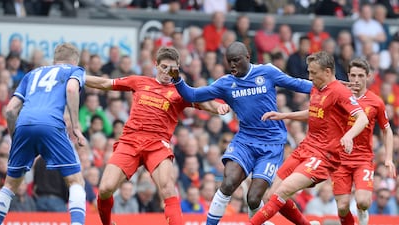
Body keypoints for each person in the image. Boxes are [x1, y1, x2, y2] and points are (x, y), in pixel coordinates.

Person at [169, 41, 317, 225]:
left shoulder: (267, 72)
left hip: (271, 144)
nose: (232, 65)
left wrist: (332, 87)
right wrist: (176, 77)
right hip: (245, 141)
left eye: (236, 60)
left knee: (254, 199)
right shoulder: (225, 84)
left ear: (247, 57)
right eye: (229, 61)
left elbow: (299, 84)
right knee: (228, 182)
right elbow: (191, 95)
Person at [84, 46, 229, 225]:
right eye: (164, 67)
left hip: (158, 145)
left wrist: (219, 107)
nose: (167, 72)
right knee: (105, 188)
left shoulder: (180, 92)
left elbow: (205, 103)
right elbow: (105, 83)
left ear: (178, 68)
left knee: (168, 189)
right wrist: (77, 77)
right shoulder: (139, 82)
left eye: (172, 68)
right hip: (130, 141)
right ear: (156, 65)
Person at [246, 51, 369, 225]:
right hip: (306, 147)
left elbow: (362, 118)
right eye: (309, 72)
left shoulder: (340, 92)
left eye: (313, 73)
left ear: (327, 72)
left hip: (324, 155)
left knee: (284, 191)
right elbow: (313, 114)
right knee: (270, 196)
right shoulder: (317, 89)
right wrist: (283, 115)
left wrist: (349, 135)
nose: (310, 77)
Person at [0, 43, 87, 225]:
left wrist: (16, 138)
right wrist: (76, 126)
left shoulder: (31, 74)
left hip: (24, 124)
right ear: (74, 61)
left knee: (9, 185)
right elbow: (71, 89)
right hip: (51, 124)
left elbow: (9, 111)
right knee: (76, 181)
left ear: (55, 60)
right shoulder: (74, 70)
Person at [331, 58, 396, 225]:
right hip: (340, 159)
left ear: (368, 76)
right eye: (353, 75)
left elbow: (386, 130)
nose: (356, 80)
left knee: (363, 202)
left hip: (363, 159)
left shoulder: (376, 102)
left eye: (360, 76)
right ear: (348, 76)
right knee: (343, 207)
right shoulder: (339, 97)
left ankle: (361, 211)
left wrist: (388, 158)